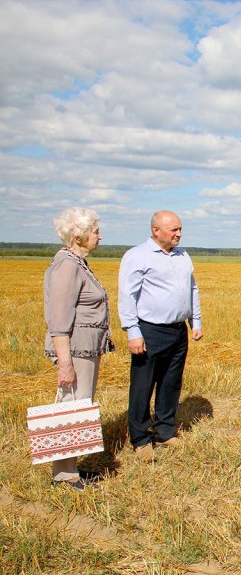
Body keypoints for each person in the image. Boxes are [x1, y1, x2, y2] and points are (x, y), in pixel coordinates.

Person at [118, 210, 203, 461]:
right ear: (156, 230)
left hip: (178, 330)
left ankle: (165, 431)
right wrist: (133, 332)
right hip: (150, 330)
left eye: (180, 229)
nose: (179, 234)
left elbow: (192, 289)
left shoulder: (182, 255)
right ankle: (141, 438)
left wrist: (194, 320)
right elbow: (127, 296)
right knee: (143, 385)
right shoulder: (137, 256)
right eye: (173, 230)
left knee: (171, 382)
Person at [43, 208, 113, 490]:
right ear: (78, 234)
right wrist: (65, 364)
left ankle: (69, 470)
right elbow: (58, 320)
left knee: (78, 406)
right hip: (75, 352)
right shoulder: (67, 265)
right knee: (72, 406)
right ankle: (64, 475)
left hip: (84, 350)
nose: (99, 235)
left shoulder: (77, 263)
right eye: (95, 230)